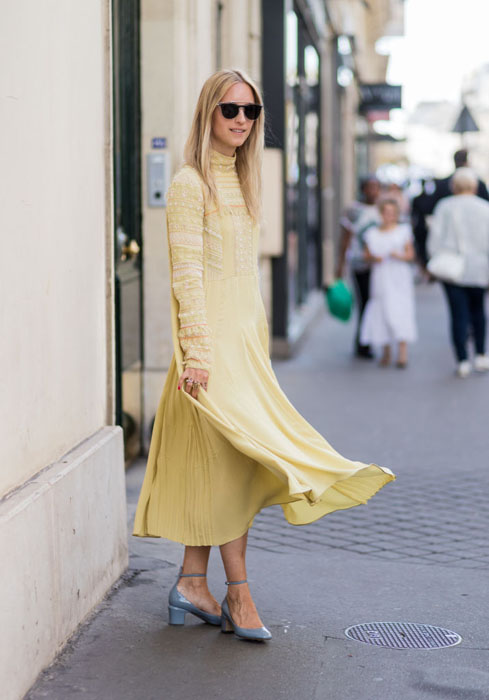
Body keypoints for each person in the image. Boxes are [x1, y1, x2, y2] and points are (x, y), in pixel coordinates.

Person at [132, 69, 395, 642]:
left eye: (250, 111)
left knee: (220, 461)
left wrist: (253, 342)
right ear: (208, 112)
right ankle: (239, 592)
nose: (241, 120)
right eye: (230, 109)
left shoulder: (244, 179)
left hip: (242, 346)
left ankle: (191, 582)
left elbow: (245, 279)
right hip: (210, 350)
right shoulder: (189, 184)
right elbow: (187, 277)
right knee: (237, 462)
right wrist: (197, 352)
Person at [428, 168, 489, 378]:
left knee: (457, 314)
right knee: (478, 311)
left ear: (454, 186)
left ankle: (462, 360)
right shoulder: (484, 208)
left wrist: (434, 260)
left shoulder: (444, 206)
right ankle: (481, 354)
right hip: (479, 268)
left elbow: (434, 240)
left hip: (451, 267)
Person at [360, 199, 417, 367]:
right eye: (386, 213)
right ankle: (386, 350)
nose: (389, 216)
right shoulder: (372, 233)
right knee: (382, 309)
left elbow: (410, 255)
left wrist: (397, 255)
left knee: (400, 309)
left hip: (399, 276)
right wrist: (374, 258)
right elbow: (365, 255)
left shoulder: (403, 231)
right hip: (381, 276)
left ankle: (402, 351)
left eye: (392, 213)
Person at [336, 177, 381, 358]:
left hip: (379, 265)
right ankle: (363, 342)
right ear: (363, 189)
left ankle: (369, 340)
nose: (373, 191)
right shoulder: (353, 210)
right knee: (365, 303)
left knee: (375, 303)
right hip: (360, 263)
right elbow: (345, 238)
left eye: (376, 187)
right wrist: (340, 265)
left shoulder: (382, 209)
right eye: (370, 187)